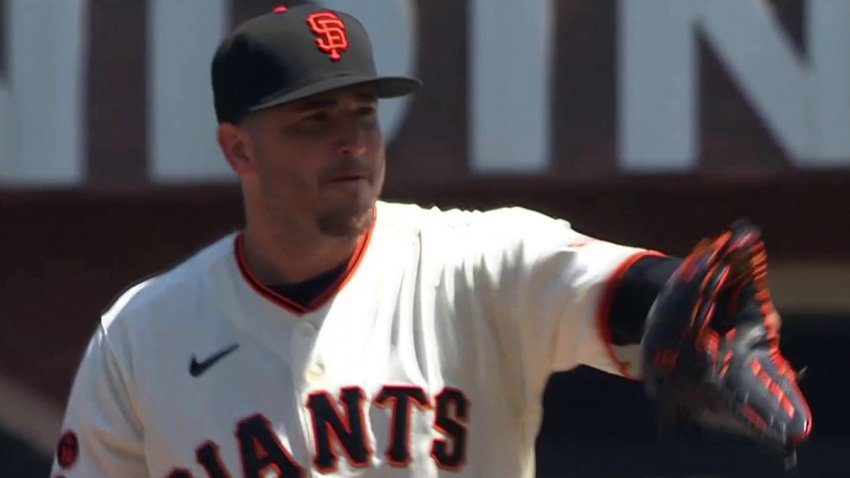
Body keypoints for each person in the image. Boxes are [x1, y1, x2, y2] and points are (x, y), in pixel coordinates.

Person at [51, 4, 809, 477]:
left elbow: (626, 291)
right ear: (238, 150)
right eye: (314, 121)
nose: (350, 141)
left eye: (362, 115)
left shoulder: (472, 264)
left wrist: (688, 307)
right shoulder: (142, 334)